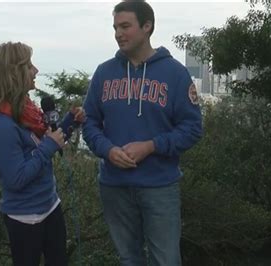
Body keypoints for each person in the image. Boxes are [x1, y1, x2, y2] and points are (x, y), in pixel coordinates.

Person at [82, 1, 203, 265]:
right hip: (114, 185)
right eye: (115, 27)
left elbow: (193, 128)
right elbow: (89, 122)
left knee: (166, 260)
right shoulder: (104, 73)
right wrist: (107, 150)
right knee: (128, 259)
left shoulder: (175, 74)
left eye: (125, 26)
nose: (118, 33)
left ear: (147, 27)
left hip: (159, 185)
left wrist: (152, 145)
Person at [0, 41, 85, 266]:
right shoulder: (2, 126)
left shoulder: (26, 111)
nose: (36, 70)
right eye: (29, 66)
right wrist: (48, 147)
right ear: (13, 74)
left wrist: (69, 122)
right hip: (25, 218)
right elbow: (16, 178)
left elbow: (45, 142)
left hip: (50, 205)